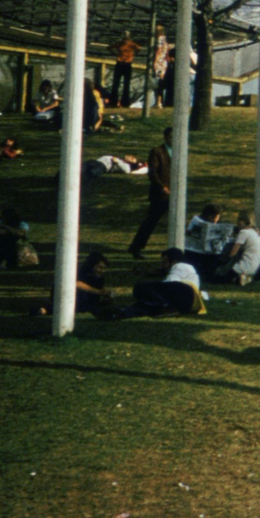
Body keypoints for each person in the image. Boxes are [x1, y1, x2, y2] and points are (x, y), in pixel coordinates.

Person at [114, 248, 206, 318]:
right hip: (186, 303)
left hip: (185, 292)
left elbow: (171, 282)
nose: (163, 266)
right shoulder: (187, 270)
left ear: (174, 261)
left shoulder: (181, 266)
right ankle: (121, 313)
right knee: (146, 306)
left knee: (140, 287)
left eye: (165, 262)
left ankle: (164, 306)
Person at [129, 127, 173, 259]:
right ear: (165, 138)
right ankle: (136, 247)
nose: (173, 139)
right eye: (170, 137)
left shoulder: (179, 151)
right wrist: (162, 187)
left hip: (175, 193)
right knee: (151, 220)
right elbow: (152, 172)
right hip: (160, 194)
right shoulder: (157, 151)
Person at [28, 251, 112, 318]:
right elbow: (75, 283)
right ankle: (42, 310)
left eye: (104, 268)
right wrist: (97, 291)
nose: (102, 271)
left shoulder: (99, 277)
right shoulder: (81, 272)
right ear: (92, 266)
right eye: (100, 267)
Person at [209, 211, 260, 286]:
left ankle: (236, 276)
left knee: (215, 278)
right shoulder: (255, 232)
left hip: (244, 266)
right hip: (257, 267)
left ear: (243, 222)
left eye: (239, 221)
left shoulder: (244, 232)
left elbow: (232, 254)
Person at [110, 30, 140, 107]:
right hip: (119, 63)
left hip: (127, 64)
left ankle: (125, 102)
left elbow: (139, 49)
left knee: (126, 84)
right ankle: (113, 102)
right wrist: (116, 54)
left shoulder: (131, 44)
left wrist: (132, 56)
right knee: (116, 83)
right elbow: (110, 47)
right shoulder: (119, 44)